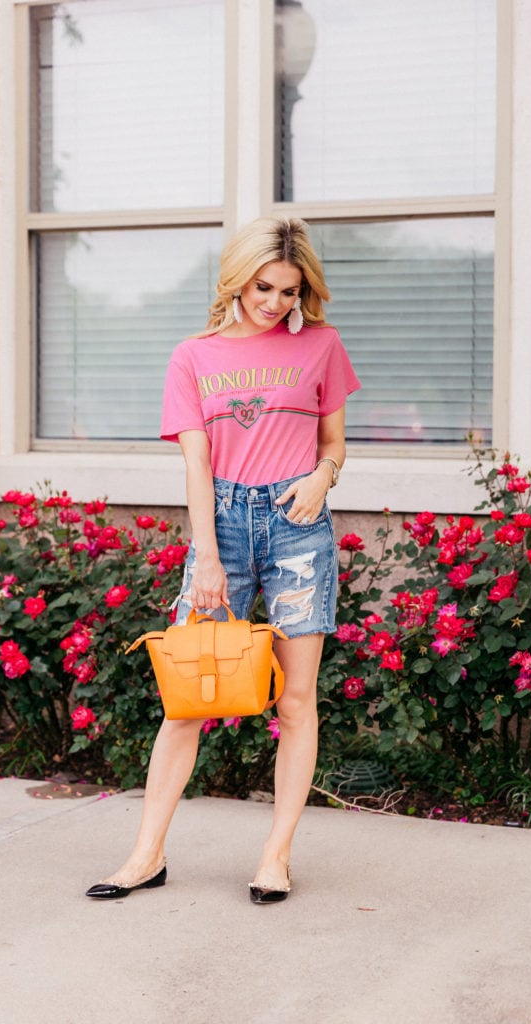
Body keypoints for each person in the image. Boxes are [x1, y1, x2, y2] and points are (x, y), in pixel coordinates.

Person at [85, 216, 360, 904]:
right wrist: (205, 557)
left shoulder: (321, 346)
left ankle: (275, 857)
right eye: (262, 286)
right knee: (186, 700)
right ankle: (145, 854)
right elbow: (196, 465)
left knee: (295, 701)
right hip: (224, 527)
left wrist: (323, 476)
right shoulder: (193, 356)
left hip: (298, 526)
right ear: (237, 279)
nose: (273, 302)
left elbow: (334, 443)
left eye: (288, 292)